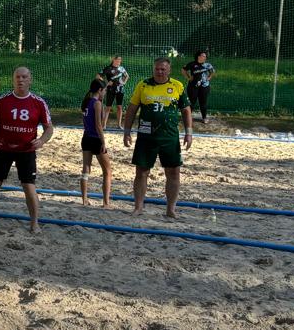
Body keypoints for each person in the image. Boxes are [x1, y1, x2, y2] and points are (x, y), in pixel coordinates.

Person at [0, 65, 55, 233]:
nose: (20, 80)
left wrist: (42, 140)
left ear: (30, 80)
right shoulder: (3, 101)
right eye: (17, 77)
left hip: (26, 151)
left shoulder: (38, 102)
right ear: (13, 80)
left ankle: (34, 223)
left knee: (28, 187)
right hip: (3, 148)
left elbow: (49, 128)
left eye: (24, 77)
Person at [122, 55, 194, 218]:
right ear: (153, 69)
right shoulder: (143, 85)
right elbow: (132, 108)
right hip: (146, 136)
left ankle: (171, 209)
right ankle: (138, 207)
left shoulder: (177, 85)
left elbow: (186, 110)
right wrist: (126, 131)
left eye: (163, 69)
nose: (160, 72)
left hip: (169, 136)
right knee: (141, 172)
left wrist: (189, 133)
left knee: (173, 172)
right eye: (157, 69)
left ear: (169, 70)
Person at [80, 77, 113, 207]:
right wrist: (103, 142)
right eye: (104, 90)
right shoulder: (97, 103)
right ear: (100, 90)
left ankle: (84, 200)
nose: (105, 92)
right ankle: (106, 203)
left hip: (86, 137)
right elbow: (99, 125)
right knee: (107, 171)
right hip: (95, 138)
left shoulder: (86, 101)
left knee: (86, 169)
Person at [183, 49, 215, 124]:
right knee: (191, 102)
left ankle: (204, 118)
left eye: (205, 56)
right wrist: (188, 77)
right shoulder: (192, 64)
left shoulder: (207, 65)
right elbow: (183, 70)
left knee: (203, 102)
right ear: (198, 56)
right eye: (203, 56)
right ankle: (188, 117)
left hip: (204, 86)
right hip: (193, 86)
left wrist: (209, 78)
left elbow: (213, 72)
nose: (205, 57)